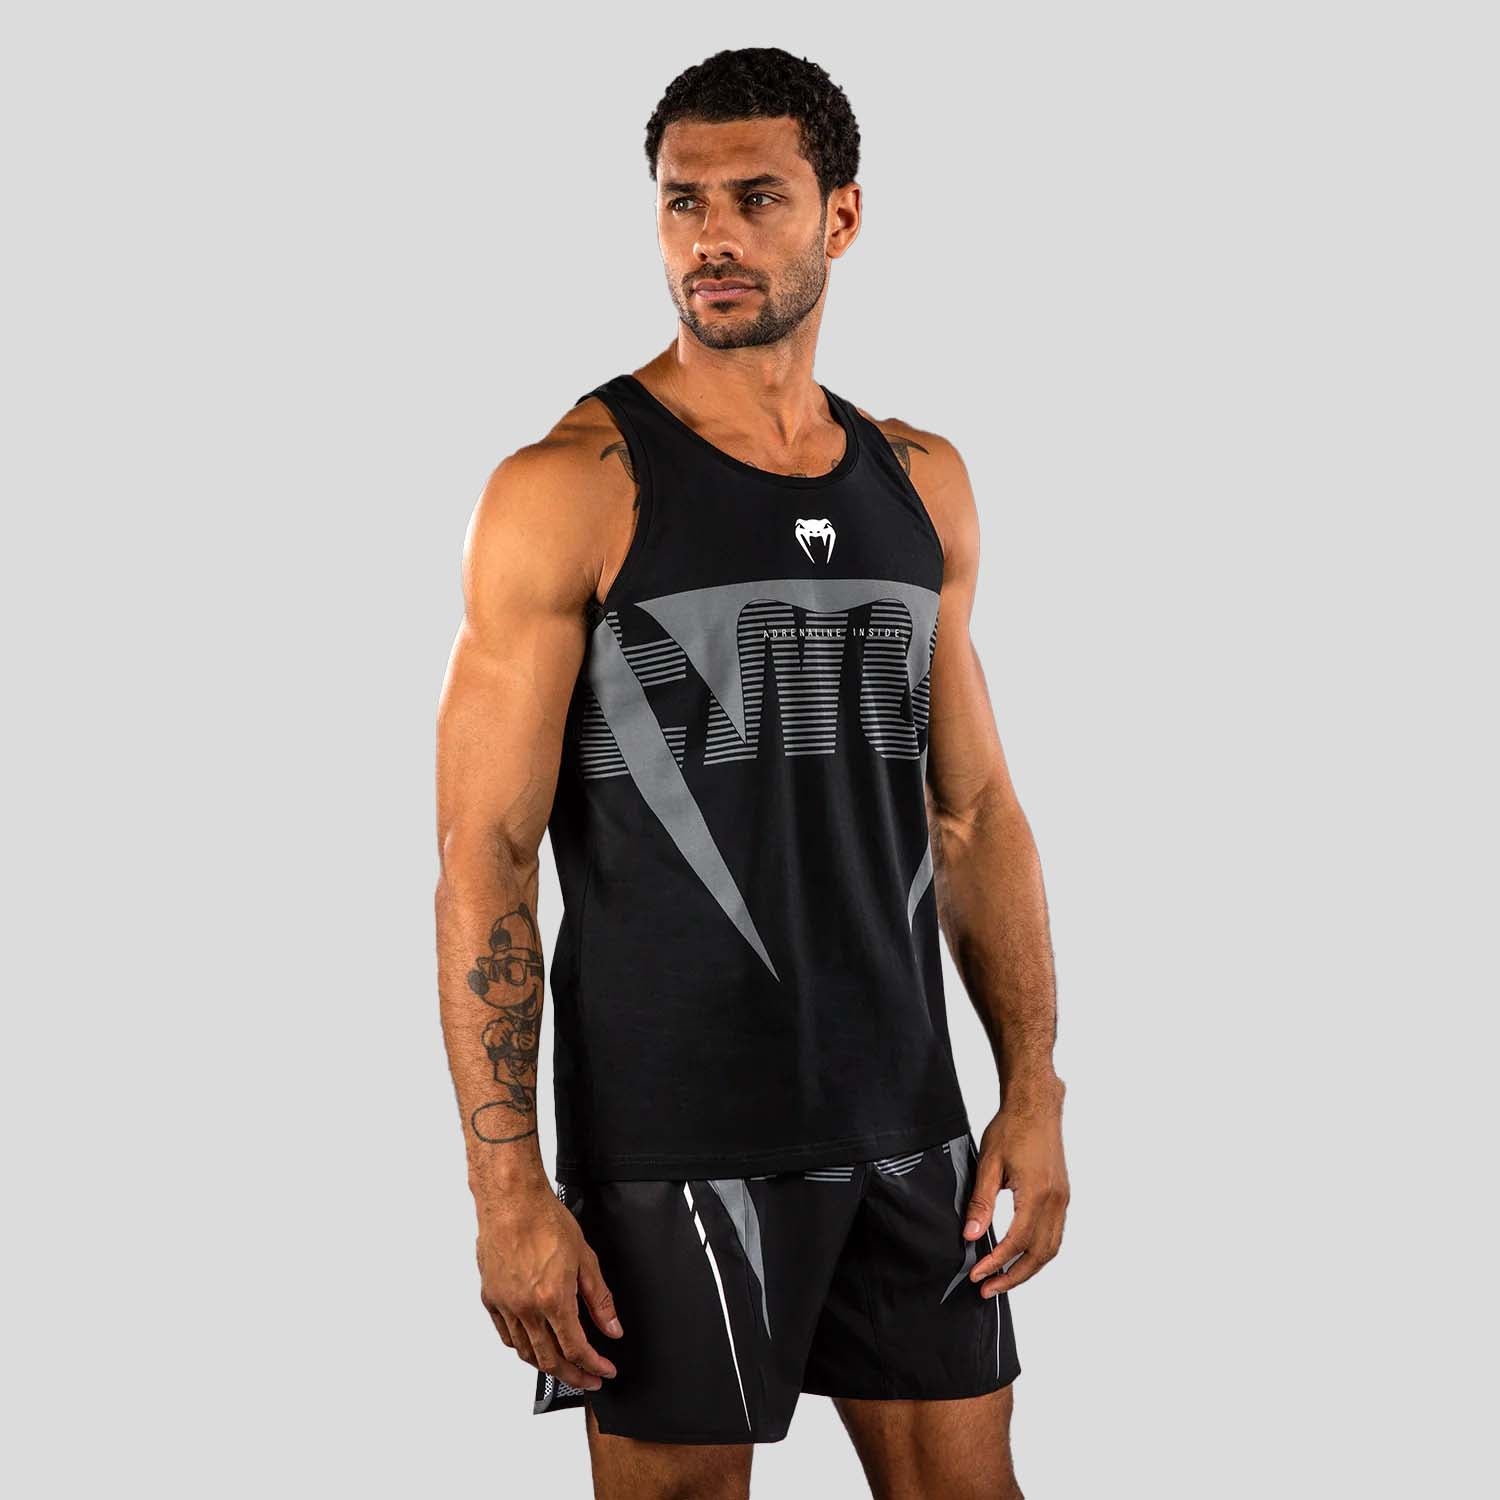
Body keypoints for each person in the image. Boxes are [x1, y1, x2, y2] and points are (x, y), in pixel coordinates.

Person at [434, 46, 1069, 1500]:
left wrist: (1033, 1090)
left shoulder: (918, 482)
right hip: (676, 1141)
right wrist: (507, 1190)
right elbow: (484, 856)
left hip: (909, 1122)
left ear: (842, 215)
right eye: (683, 203)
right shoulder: (572, 487)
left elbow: (976, 816)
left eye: (755, 199)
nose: (710, 237)